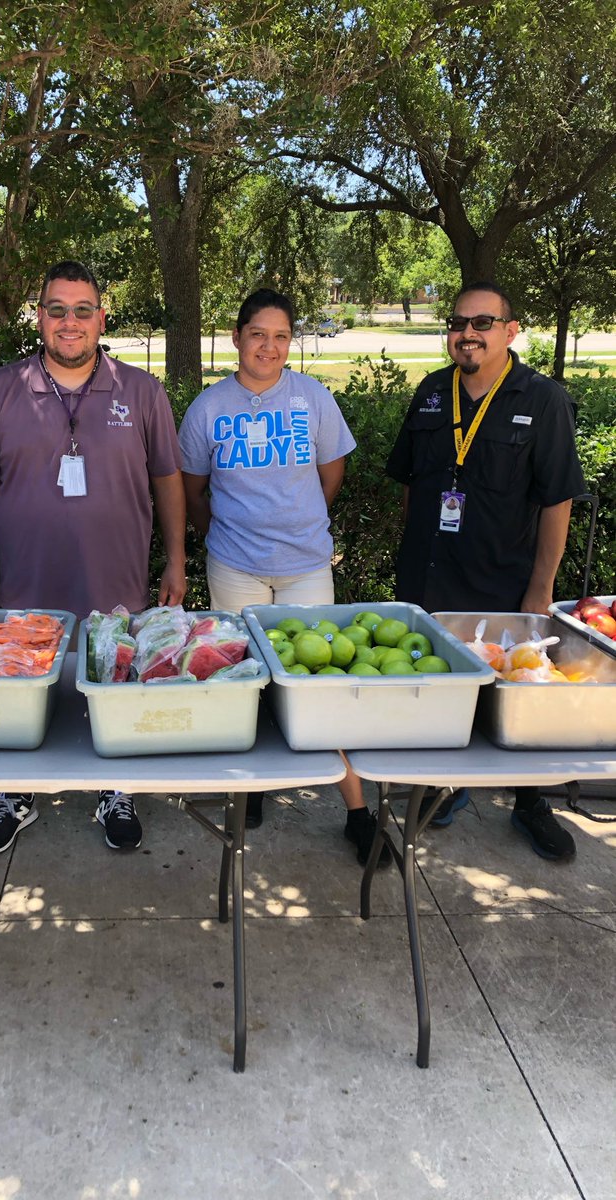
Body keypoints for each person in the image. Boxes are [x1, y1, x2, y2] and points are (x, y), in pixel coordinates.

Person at [0, 260, 186, 855]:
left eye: (83, 310)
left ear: (101, 318)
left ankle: (116, 788)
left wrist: (177, 559)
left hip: (118, 582)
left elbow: (167, 478)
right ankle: (16, 792)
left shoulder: (141, 390)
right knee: (22, 689)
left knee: (116, 681)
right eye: (57, 309)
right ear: (39, 318)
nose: (70, 322)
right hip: (29, 582)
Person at [178, 287, 388, 866]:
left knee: (318, 682)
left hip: (305, 567)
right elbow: (193, 491)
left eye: (280, 336)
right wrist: (219, 538)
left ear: (289, 342)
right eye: (257, 334)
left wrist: (296, 527)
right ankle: (253, 789)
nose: (268, 347)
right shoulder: (209, 409)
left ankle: (357, 813)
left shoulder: (312, 397)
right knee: (244, 680)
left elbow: (331, 473)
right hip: (235, 565)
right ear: (237, 338)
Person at [386, 281, 586, 859]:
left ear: (509, 331)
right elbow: (412, 486)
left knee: (517, 696)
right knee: (436, 691)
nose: (467, 333)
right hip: (429, 576)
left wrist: (541, 589)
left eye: (483, 322)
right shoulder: (430, 393)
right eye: (458, 322)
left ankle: (530, 803)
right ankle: (445, 787)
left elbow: (557, 500)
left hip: (502, 580)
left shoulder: (542, 399)